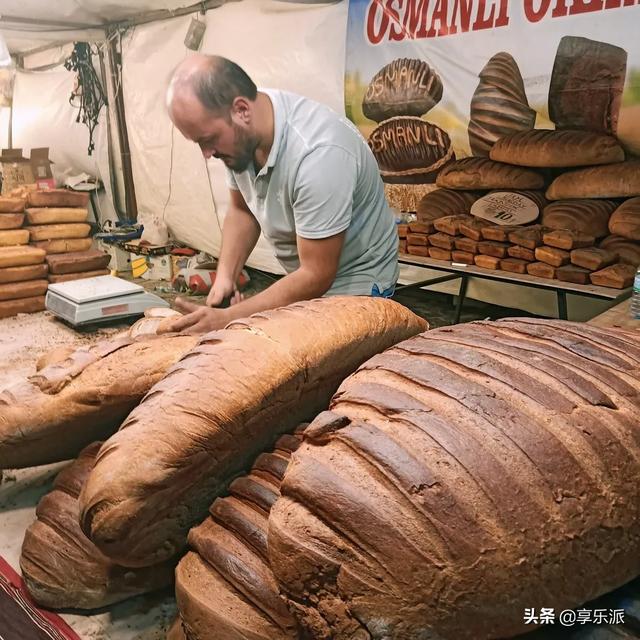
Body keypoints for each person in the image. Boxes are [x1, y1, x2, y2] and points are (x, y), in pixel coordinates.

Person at [165, 54, 399, 334]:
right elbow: (242, 212)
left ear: (241, 110)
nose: (206, 154)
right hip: (308, 278)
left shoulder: (319, 155)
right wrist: (226, 276)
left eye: (208, 140)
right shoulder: (241, 139)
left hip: (356, 286)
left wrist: (230, 317)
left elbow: (316, 275)